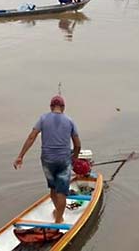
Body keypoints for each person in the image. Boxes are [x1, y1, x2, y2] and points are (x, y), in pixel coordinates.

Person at [13, 95, 81, 225]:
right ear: (63, 107)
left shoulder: (43, 119)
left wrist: (21, 156)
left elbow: (31, 137)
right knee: (62, 192)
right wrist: (75, 158)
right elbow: (77, 144)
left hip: (47, 160)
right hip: (63, 160)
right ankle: (59, 219)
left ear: (51, 107)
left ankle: (57, 212)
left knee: (53, 189)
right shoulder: (70, 121)